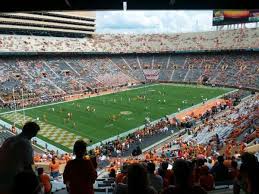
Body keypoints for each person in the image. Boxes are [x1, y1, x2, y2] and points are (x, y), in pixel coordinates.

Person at [0, 122, 40, 194]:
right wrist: (36, 175)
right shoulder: (25, 144)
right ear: (32, 133)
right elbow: (30, 165)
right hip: (13, 179)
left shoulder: (9, 139)